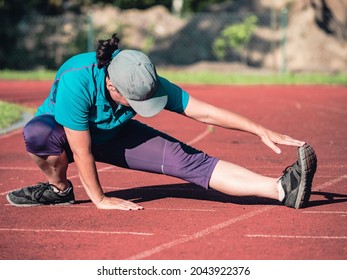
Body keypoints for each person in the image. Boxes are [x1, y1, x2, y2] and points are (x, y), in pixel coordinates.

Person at [6, 34, 317, 210]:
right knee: (38, 133)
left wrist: (259, 129)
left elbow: (204, 112)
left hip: (114, 135)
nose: (146, 107)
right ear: (112, 86)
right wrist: (100, 199)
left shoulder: (143, 78)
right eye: (138, 103)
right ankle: (59, 190)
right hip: (66, 135)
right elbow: (82, 149)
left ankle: (280, 189)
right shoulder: (78, 80)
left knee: (191, 161)